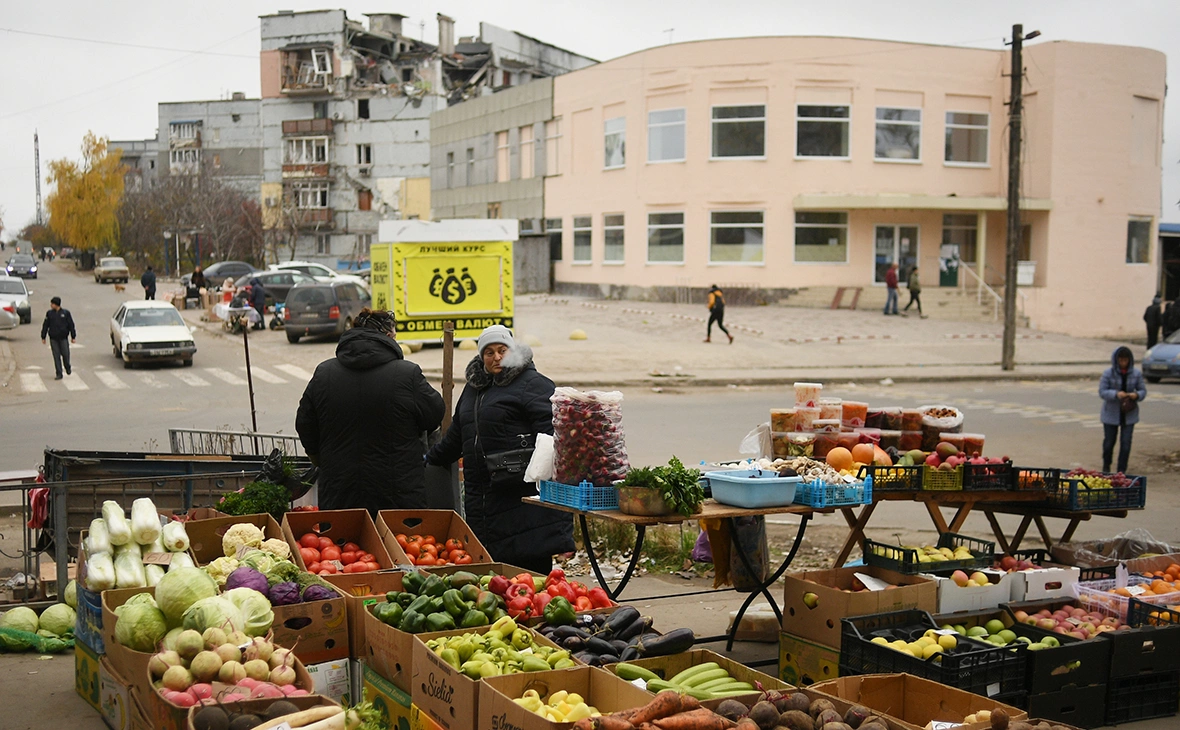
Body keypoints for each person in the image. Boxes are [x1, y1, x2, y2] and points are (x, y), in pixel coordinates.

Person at [426, 325, 574, 573]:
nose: (496, 357)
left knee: (530, 577)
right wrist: (427, 459)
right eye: (489, 352)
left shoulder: (532, 384)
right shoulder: (474, 390)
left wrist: (530, 467)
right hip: (484, 501)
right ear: (481, 356)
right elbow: (456, 437)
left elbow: (555, 437)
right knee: (495, 579)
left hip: (522, 501)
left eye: (502, 350)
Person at [296, 308, 444, 514]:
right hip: (398, 493)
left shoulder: (324, 373)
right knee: (398, 545)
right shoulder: (407, 374)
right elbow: (435, 414)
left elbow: (304, 424)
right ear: (388, 336)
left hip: (340, 490)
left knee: (344, 545)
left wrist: (321, 459)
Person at [1099, 345, 1146, 474]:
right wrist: (1116, 394)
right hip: (1111, 413)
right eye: (1121, 360)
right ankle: (1106, 465)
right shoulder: (1108, 373)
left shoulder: (1135, 374)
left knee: (1126, 444)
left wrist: (1136, 395)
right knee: (1109, 442)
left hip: (1129, 413)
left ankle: (1121, 470)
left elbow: (1142, 390)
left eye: (1125, 360)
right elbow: (1102, 392)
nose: (1123, 363)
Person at [40, 296, 77, 381]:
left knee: (65, 354)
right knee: (56, 356)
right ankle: (59, 373)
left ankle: (67, 366)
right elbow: (45, 325)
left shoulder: (65, 313)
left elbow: (71, 324)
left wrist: (73, 336)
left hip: (63, 338)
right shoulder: (49, 314)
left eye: (52, 303)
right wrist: (43, 336)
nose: (51, 305)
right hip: (53, 338)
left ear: (56, 304)